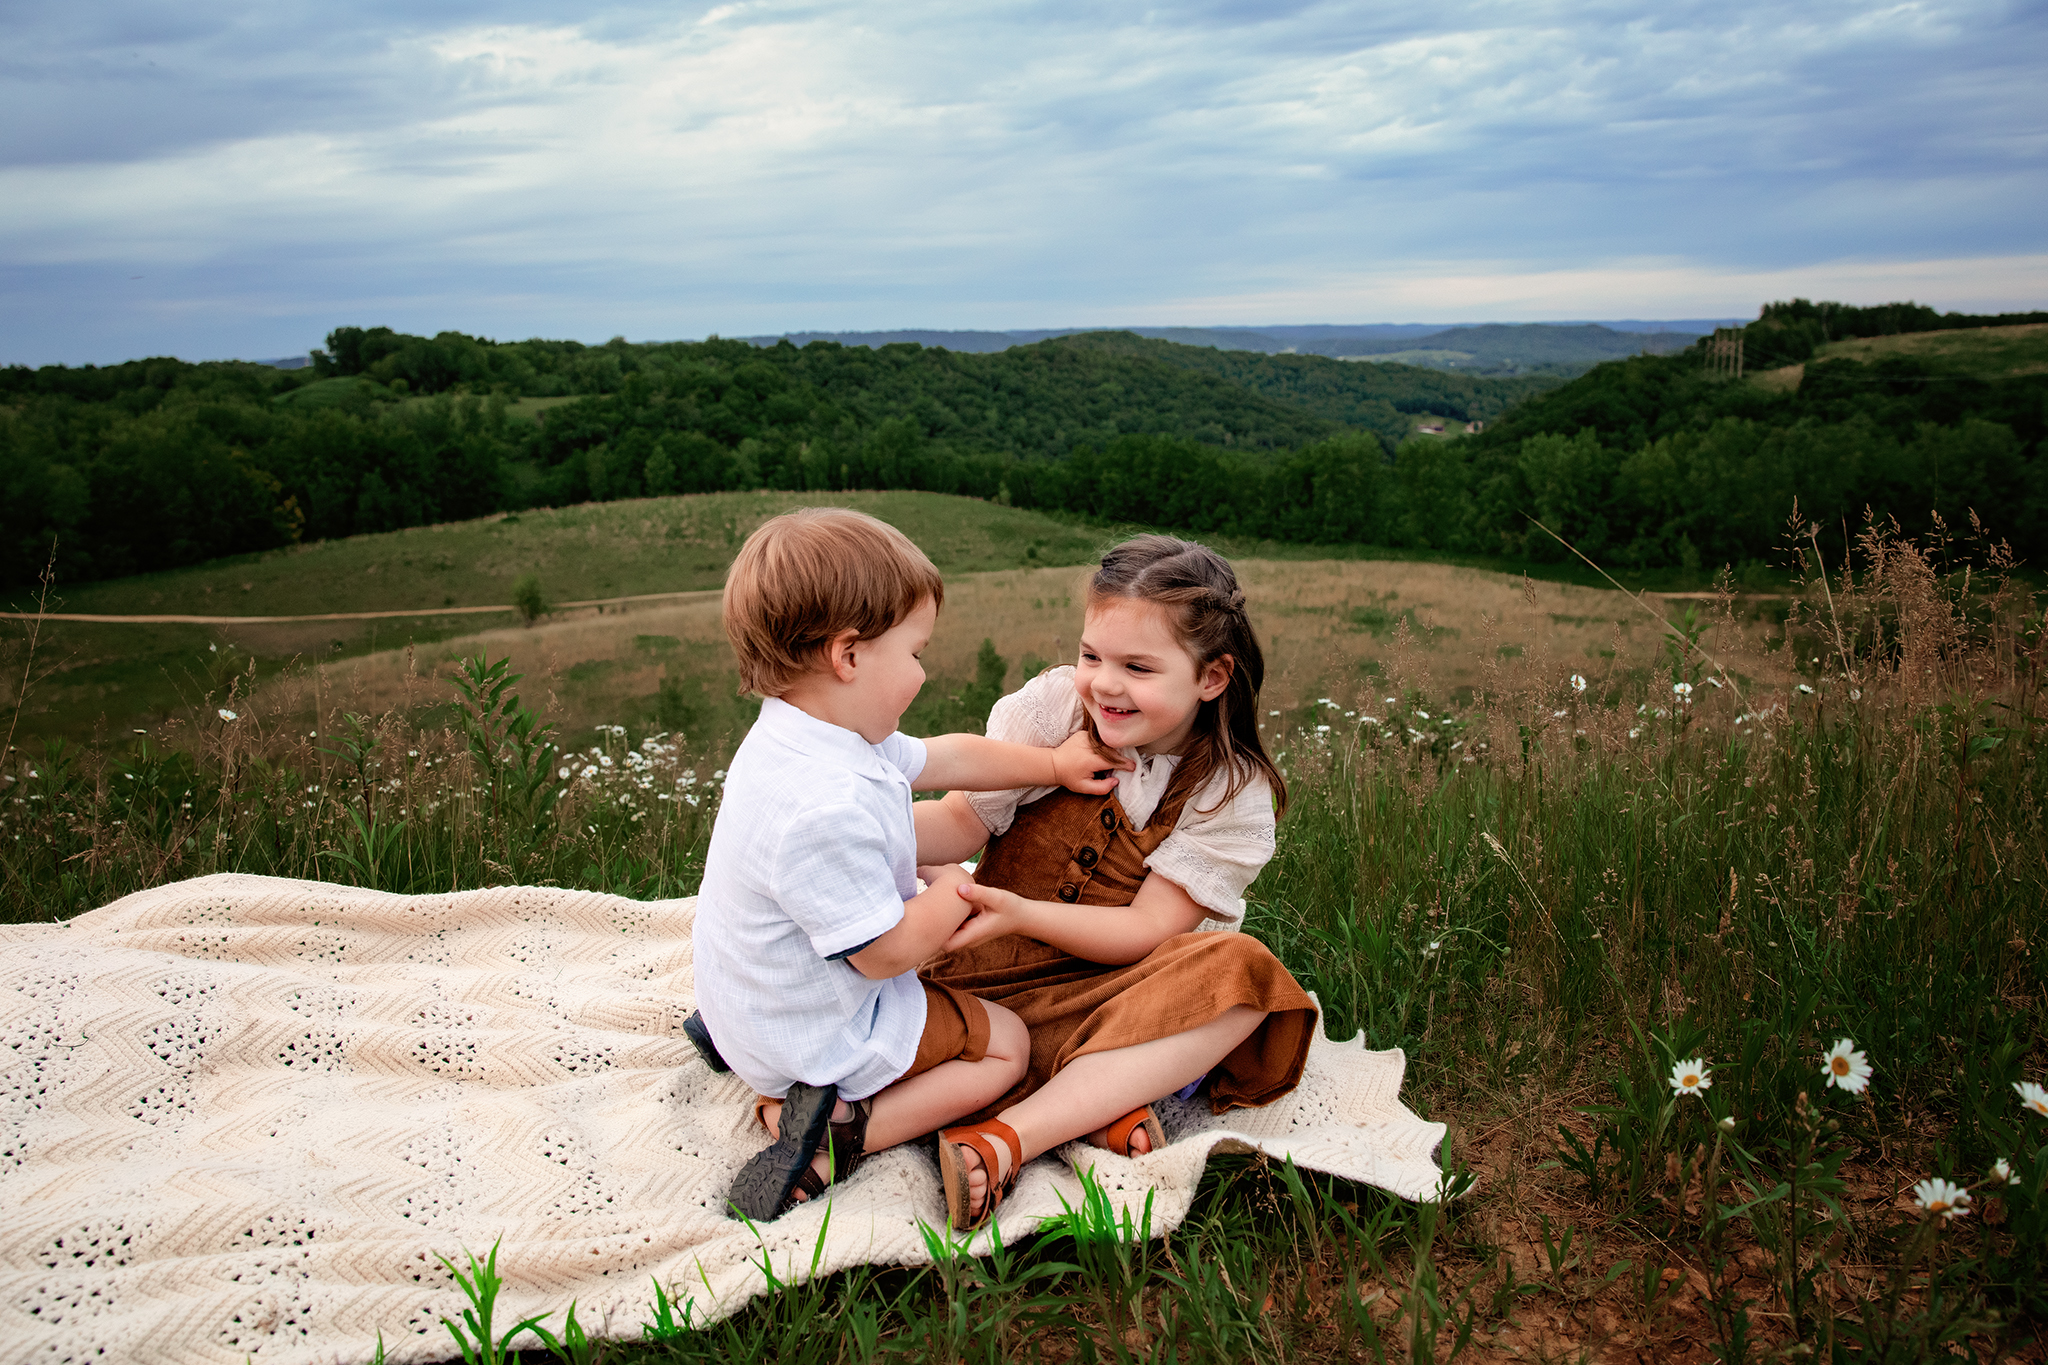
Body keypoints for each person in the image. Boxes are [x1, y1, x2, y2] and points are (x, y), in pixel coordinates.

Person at [694, 508, 1129, 1222]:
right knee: (1007, 1049)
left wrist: (1051, 763)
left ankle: (768, 1057)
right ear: (849, 655)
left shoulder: (808, 733)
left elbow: (949, 757)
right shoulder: (824, 804)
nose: (925, 670)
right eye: (916, 651)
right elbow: (885, 952)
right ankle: (837, 1133)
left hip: (744, 1006)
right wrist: (957, 888)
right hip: (811, 1034)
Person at [913, 535, 1317, 1229]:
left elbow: (1142, 932)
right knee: (878, 956)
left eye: (1138, 666)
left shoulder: (1228, 791)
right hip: (983, 973)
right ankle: (1089, 1110)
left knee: (1249, 981)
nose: (1104, 683)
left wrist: (1019, 911)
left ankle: (1006, 1138)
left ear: (1211, 677)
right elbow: (958, 821)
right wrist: (852, 828)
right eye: (1092, 655)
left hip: (1112, 990)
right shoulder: (1052, 713)